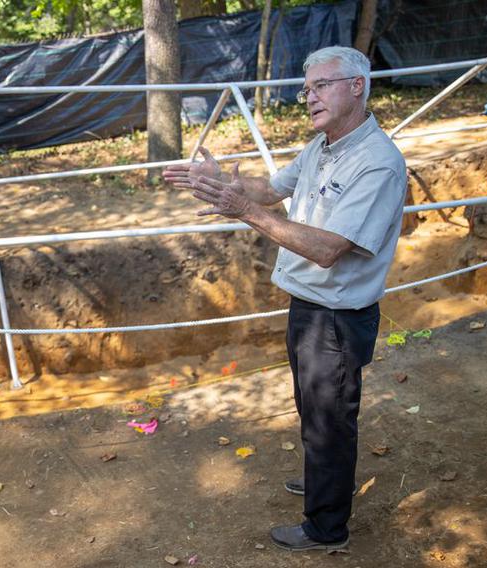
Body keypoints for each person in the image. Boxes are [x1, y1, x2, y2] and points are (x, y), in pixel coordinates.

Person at [163, 46, 406, 551]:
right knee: (315, 409)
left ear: (356, 86)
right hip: (308, 308)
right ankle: (325, 478)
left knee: (330, 416)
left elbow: (326, 248)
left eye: (320, 86)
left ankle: (326, 528)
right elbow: (271, 188)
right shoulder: (323, 145)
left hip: (338, 317)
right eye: (306, 87)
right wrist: (222, 185)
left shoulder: (378, 164)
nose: (307, 96)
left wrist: (244, 211)